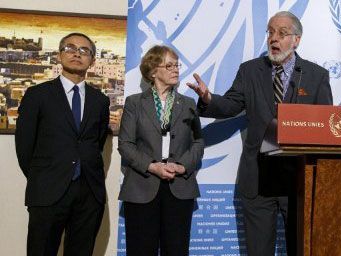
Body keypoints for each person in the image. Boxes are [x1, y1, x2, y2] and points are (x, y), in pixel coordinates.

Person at [187, 11, 333, 255]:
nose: (273, 39)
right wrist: (208, 98)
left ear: (296, 40)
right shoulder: (250, 71)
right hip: (257, 179)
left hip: (299, 179)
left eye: (282, 33)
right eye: (270, 32)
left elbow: (325, 124)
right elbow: (232, 105)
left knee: (301, 249)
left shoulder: (316, 76)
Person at [15, 32, 110, 256]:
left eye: (84, 51)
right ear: (59, 55)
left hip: (89, 193)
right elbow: (24, 146)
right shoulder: (37, 95)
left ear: (93, 61)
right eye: (70, 48)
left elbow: (95, 143)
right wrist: (44, 177)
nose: (77, 53)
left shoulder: (100, 101)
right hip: (48, 190)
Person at [118, 45, 204, 256]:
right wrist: (151, 166)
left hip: (179, 188)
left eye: (176, 65)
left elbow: (198, 142)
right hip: (141, 186)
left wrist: (183, 166)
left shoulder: (189, 103)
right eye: (169, 65)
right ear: (153, 70)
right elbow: (125, 145)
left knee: (176, 250)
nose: (176, 69)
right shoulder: (134, 103)